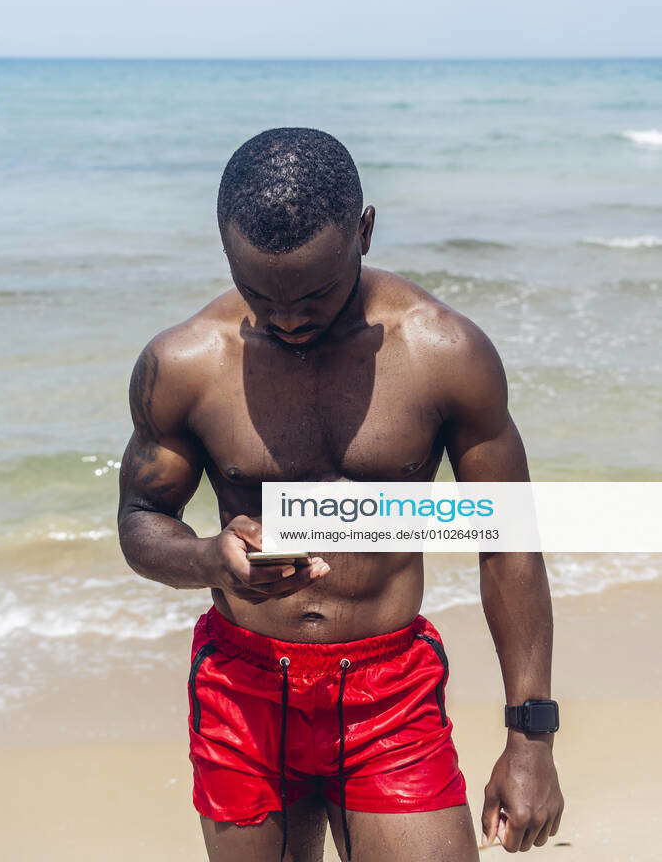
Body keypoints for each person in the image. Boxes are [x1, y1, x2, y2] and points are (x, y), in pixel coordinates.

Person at [117, 128, 563, 861]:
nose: (289, 317)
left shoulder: (443, 353)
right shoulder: (186, 361)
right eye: (261, 293)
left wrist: (530, 738)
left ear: (364, 231)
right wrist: (210, 558)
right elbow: (140, 523)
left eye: (315, 293)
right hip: (244, 687)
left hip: (389, 693)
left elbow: (506, 540)